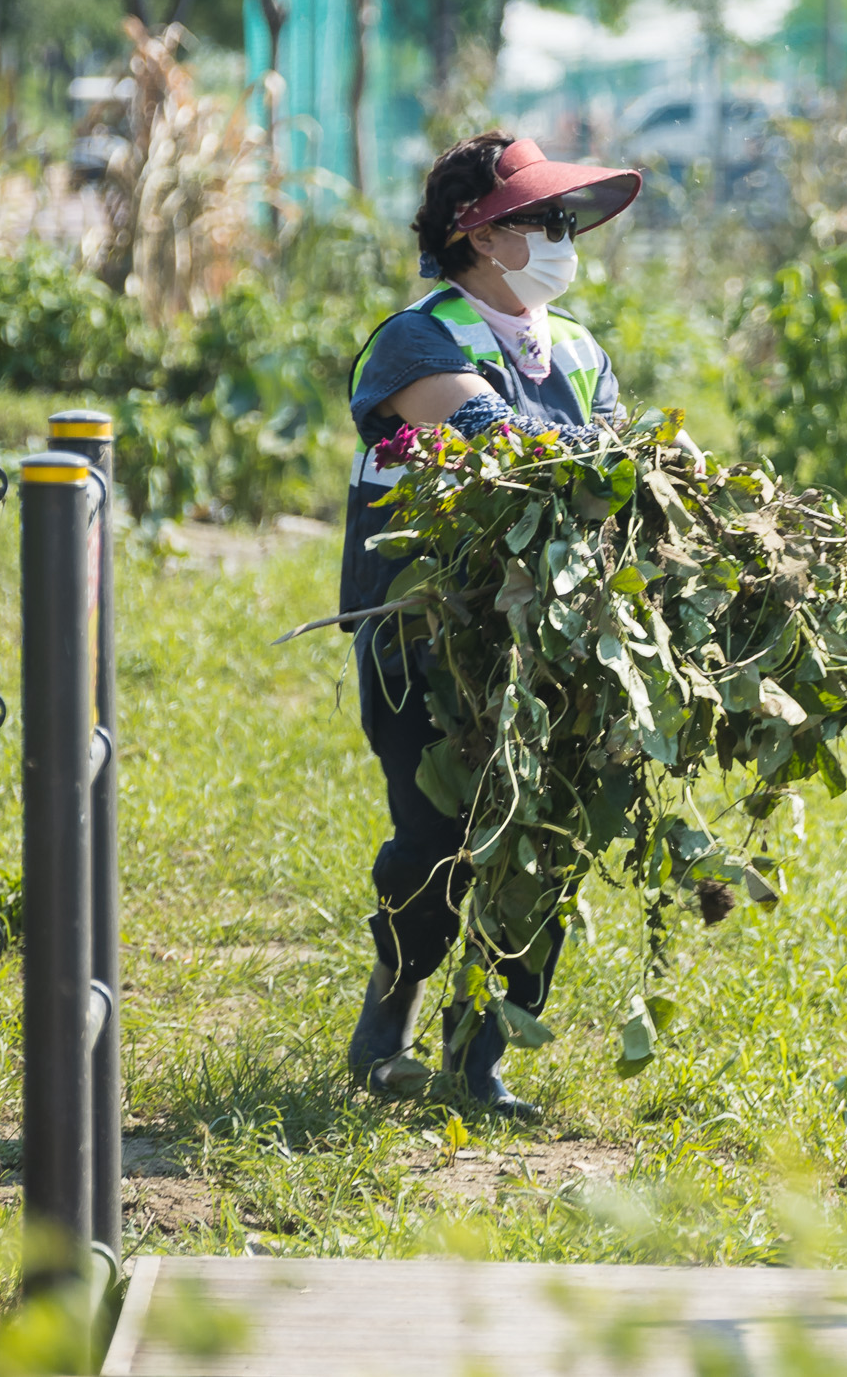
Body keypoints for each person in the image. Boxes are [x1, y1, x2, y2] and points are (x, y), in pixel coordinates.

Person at [339, 131, 643, 1114]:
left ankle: (478, 1058)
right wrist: (613, 457)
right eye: (540, 221)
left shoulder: (583, 351)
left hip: (557, 636)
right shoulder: (418, 341)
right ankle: (390, 1009)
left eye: (566, 222)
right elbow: (506, 446)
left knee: (541, 838)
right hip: (427, 638)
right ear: (475, 235)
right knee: (434, 831)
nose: (562, 239)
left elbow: (623, 472)